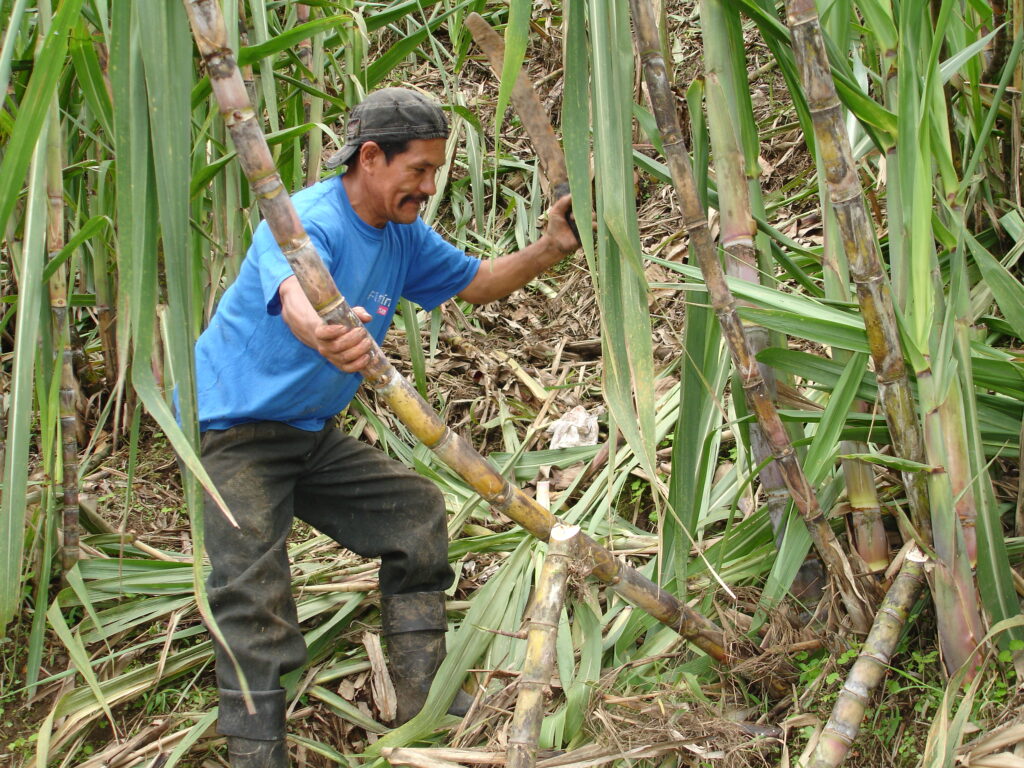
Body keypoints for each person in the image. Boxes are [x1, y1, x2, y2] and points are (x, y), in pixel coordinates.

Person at [193, 87, 580, 768]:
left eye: (435, 171)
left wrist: (550, 247)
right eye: (419, 170)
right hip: (238, 431)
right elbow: (293, 299)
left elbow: (479, 282)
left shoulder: (403, 234)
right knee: (253, 587)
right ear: (370, 157)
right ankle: (257, 753)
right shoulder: (307, 219)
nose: (429, 186)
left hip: (306, 432)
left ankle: (417, 690)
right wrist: (326, 338)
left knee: (414, 512)